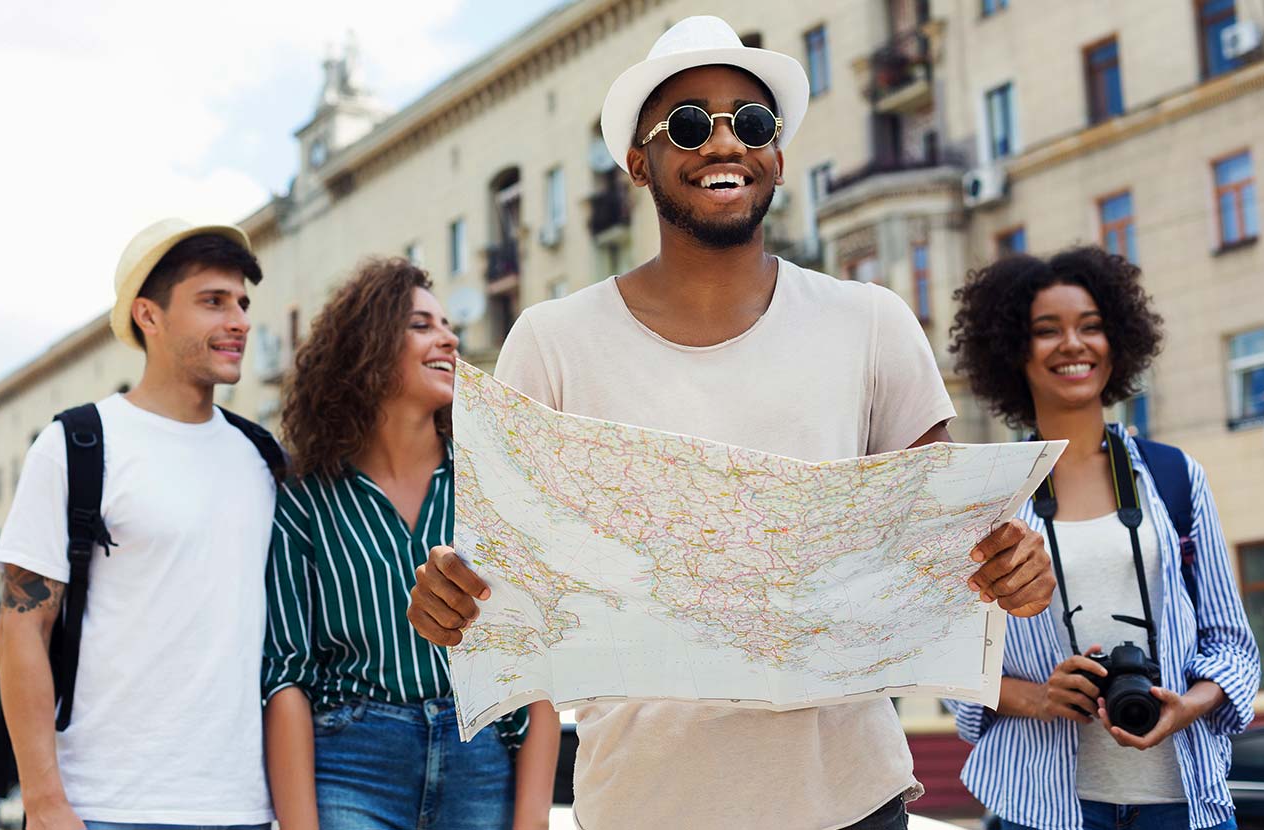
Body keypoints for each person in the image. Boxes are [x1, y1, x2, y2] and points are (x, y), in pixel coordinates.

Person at [406, 17, 1056, 830]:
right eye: (686, 124)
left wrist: (1014, 567)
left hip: (848, 798)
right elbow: (499, 576)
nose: (722, 144)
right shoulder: (551, 340)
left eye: (750, 123)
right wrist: (450, 598)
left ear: (778, 156)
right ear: (638, 163)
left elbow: (948, 539)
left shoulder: (872, 323)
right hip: (645, 805)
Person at [946, 247, 1259, 830]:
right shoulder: (987, 498)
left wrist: (1185, 706)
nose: (1073, 344)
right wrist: (1039, 697)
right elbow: (953, 666)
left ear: (1118, 342)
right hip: (1040, 804)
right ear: (1014, 349)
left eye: (1091, 326)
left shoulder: (1174, 477)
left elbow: (1233, 646)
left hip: (1184, 801)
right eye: (1047, 331)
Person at [0, 219, 276, 829]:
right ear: (148, 316)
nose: (239, 321)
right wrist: (44, 804)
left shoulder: (264, 458)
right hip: (105, 808)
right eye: (213, 302)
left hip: (241, 809)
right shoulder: (76, 445)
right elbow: (21, 631)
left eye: (243, 303)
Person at [262, 257, 559, 830]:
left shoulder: (494, 486)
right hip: (352, 763)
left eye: (446, 325)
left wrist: (533, 822)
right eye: (421, 324)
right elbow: (288, 676)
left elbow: (540, 661)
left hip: (482, 754)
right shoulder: (304, 498)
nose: (448, 337)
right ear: (364, 347)